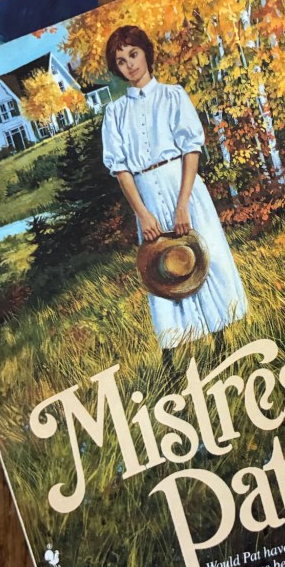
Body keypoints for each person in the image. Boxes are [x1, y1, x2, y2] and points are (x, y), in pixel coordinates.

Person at [101, 25, 247, 357]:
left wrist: (183, 204)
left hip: (183, 186)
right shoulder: (114, 113)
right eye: (121, 61)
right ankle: (179, 353)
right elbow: (121, 169)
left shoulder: (173, 96)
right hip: (147, 197)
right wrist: (142, 213)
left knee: (204, 257)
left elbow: (191, 150)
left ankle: (225, 341)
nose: (130, 65)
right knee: (163, 267)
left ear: (146, 53)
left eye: (134, 54)